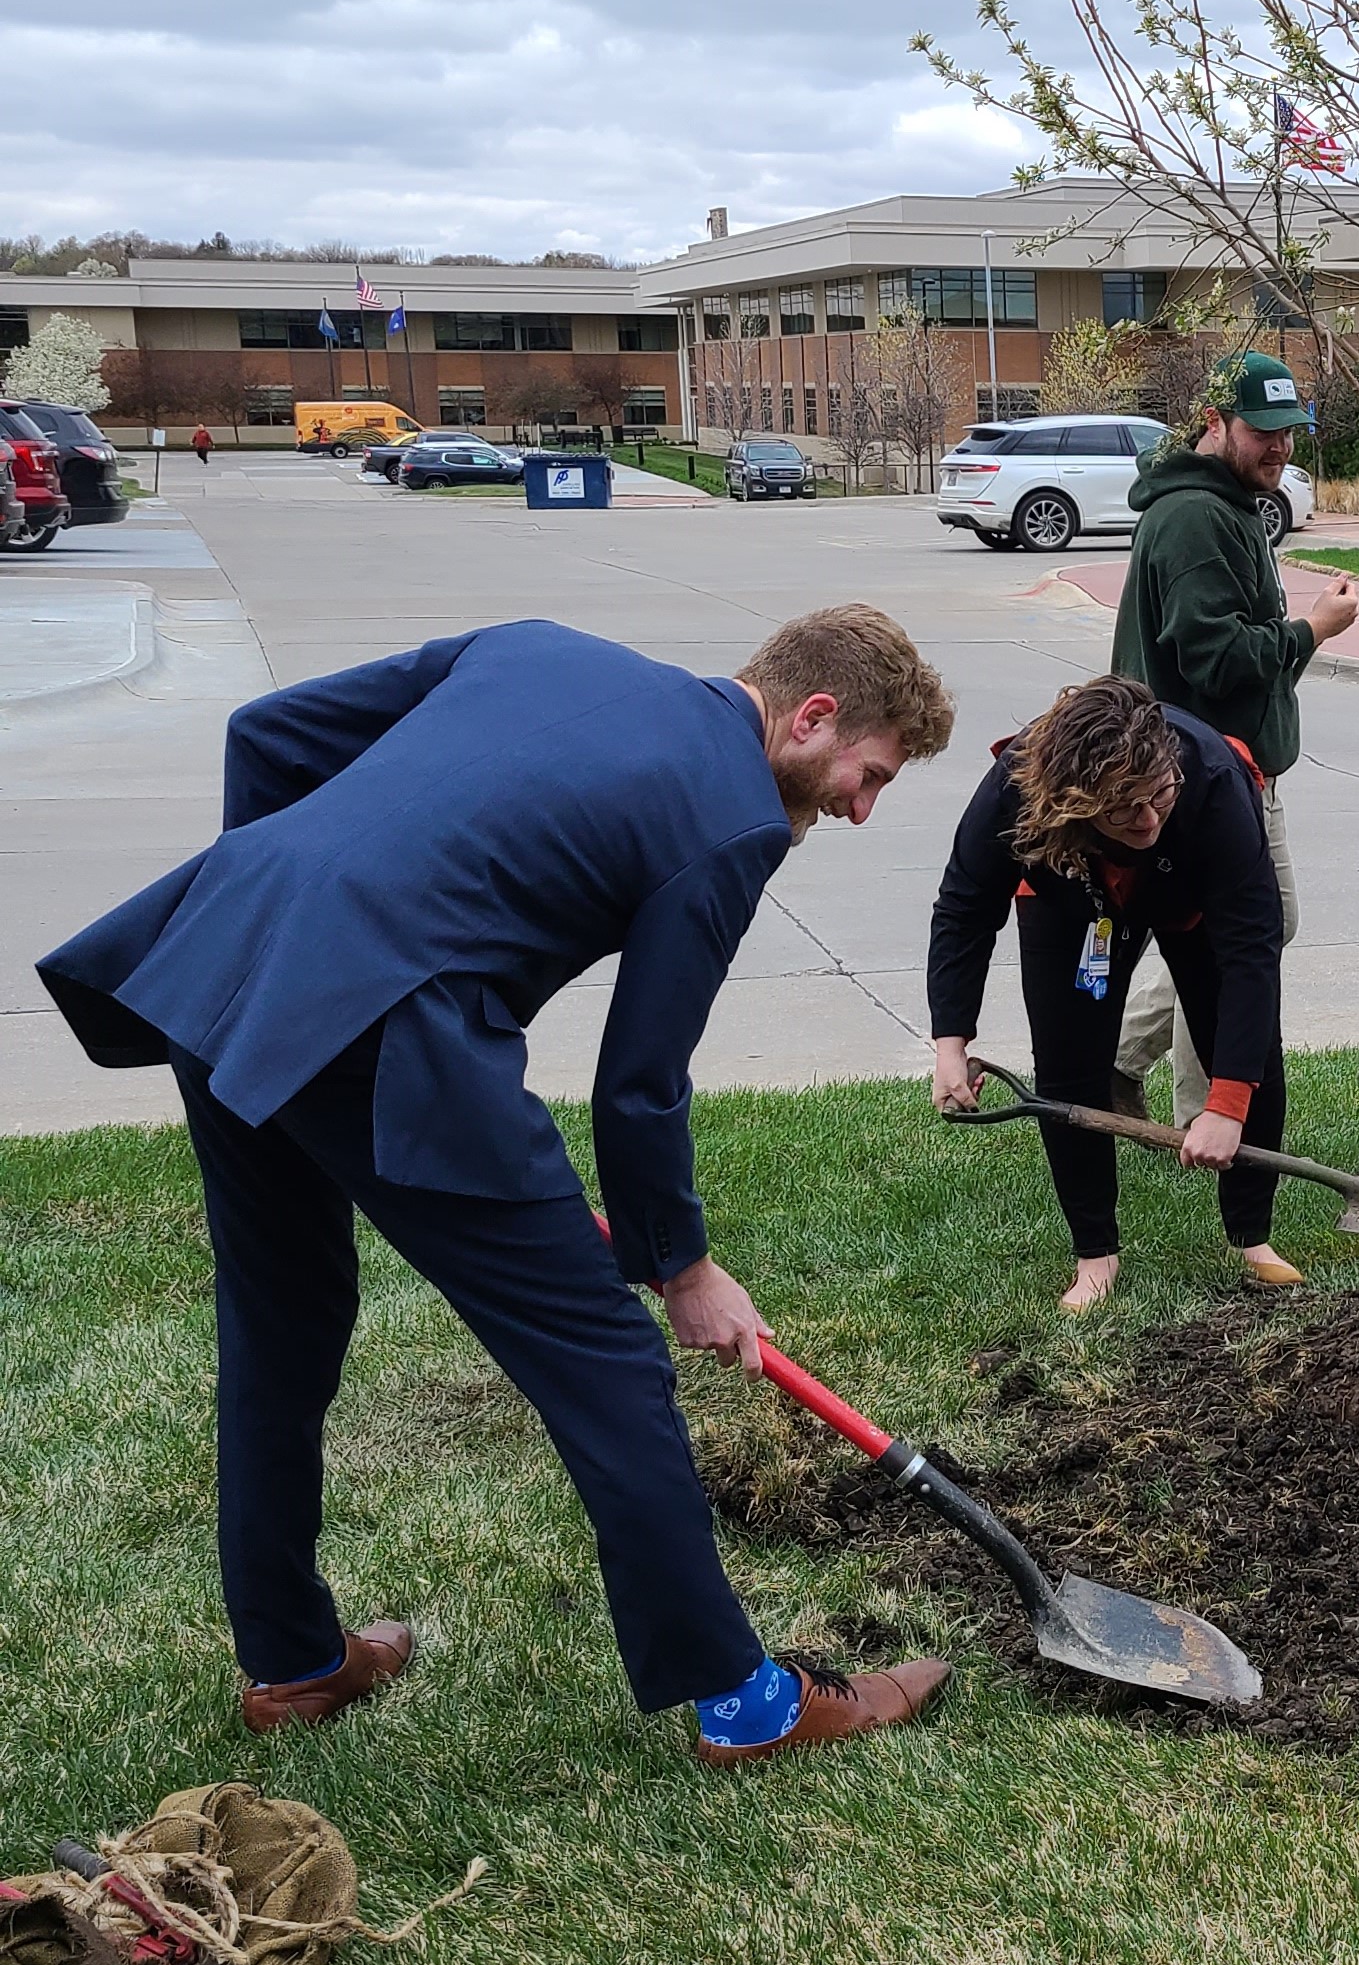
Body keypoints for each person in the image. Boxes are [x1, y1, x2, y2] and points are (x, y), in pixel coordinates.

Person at [35, 604, 959, 1768]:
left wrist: (294, 936)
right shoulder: (731, 820)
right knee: (609, 1360)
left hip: (224, 954)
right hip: (386, 1027)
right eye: (865, 774)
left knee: (281, 1319)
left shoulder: (540, 644)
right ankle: (747, 1705)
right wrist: (683, 1269)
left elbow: (267, 731)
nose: (859, 807)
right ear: (809, 716)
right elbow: (638, 1084)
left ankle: (292, 1661)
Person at [929, 675, 1293, 1309]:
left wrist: (1227, 1104)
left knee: (1249, 1056)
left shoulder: (1208, 778)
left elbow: (1251, 950)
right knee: (1068, 1068)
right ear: (1073, 799)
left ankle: (1249, 1236)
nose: (1149, 819)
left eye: (1157, 795)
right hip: (1075, 898)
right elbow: (965, 905)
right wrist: (951, 1040)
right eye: (1124, 806)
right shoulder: (1018, 787)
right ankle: (1095, 1256)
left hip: (1193, 905)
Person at [1109, 351, 1356, 1122]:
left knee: (1230, 929)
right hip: (1204, 774)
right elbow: (1212, 658)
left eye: (1289, 432)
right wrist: (1310, 630)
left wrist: (1294, 637)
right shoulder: (1193, 518)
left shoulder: (1231, 505)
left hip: (1227, 767)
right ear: (1216, 424)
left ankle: (1114, 1060)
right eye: (1263, 431)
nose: (1279, 448)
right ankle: (1201, 1113)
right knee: (1247, 929)